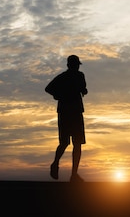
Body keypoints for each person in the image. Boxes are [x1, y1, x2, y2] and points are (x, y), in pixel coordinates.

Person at [45, 54, 88, 182]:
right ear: (71, 65)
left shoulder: (69, 77)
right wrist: (59, 95)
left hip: (70, 112)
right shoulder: (70, 77)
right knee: (68, 143)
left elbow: (83, 89)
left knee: (75, 144)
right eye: (76, 65)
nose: (77, 68)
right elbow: (48, 89)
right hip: (70, 112)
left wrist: (58, 95)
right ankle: (59, 166)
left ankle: (73, 174)